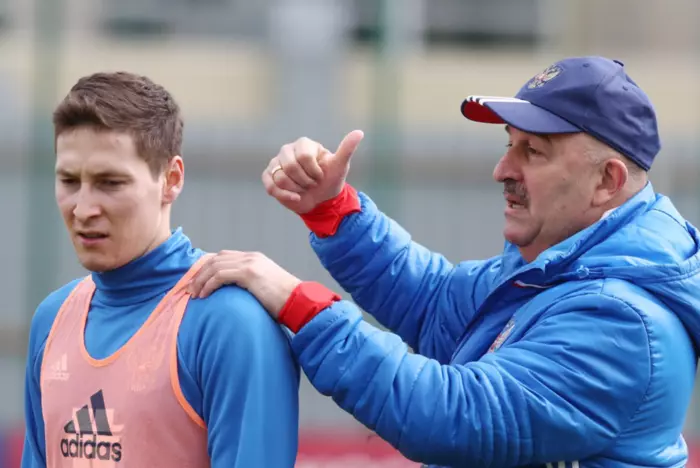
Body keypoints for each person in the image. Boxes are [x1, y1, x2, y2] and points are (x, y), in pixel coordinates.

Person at [188, 56, 700, 468]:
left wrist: (301, 305)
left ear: (608, 181)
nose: (503, 169)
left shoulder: (623, 320)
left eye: (533, 152)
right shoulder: (555, 272)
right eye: (509, 145)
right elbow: (435, 302)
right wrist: (334, 210)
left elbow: (453, 416)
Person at [21, 71, 300, 468]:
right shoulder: (52, 319)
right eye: (69, 180)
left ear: (171, 180)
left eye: (110, 183)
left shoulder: (230, 323)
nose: (82, 209)